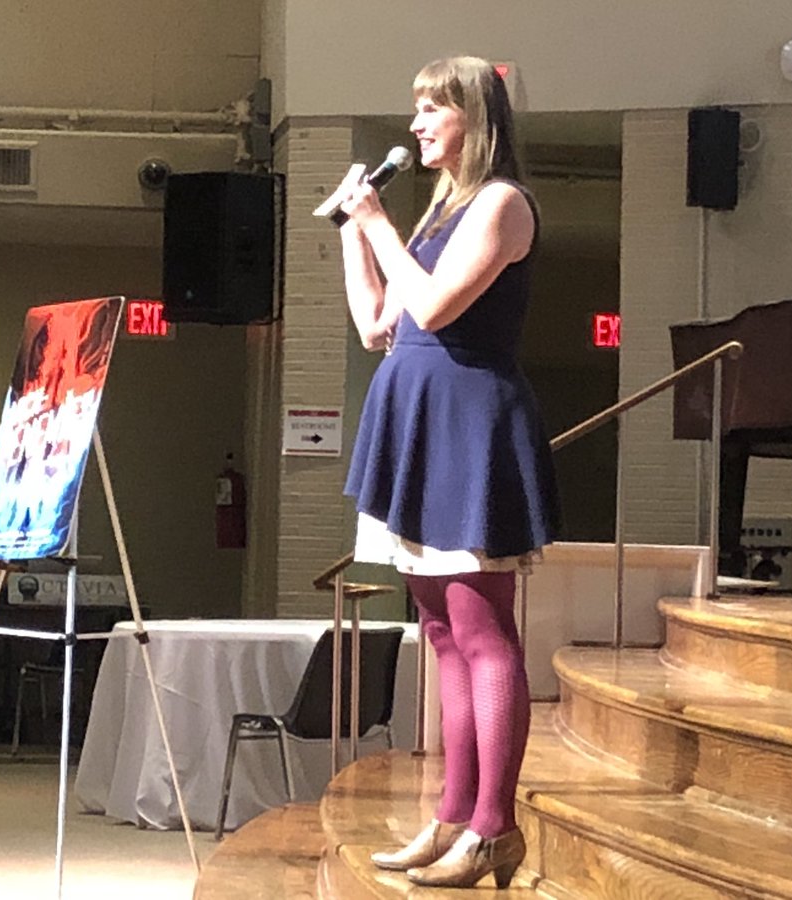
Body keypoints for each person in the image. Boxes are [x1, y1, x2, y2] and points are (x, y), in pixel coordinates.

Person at [337, 56, 560, 889]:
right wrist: (359, 232)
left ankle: (495, 827)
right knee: (439, 633)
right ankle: (453, 813)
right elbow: (377, 325)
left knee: (480, 628)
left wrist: (381, 225)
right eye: (416, 109)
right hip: (414, 421)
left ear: (476, 117)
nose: (419, 124)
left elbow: (432, 310)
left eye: (435, 109)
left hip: (470, 424)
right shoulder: (439, 211)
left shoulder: (503, 204)